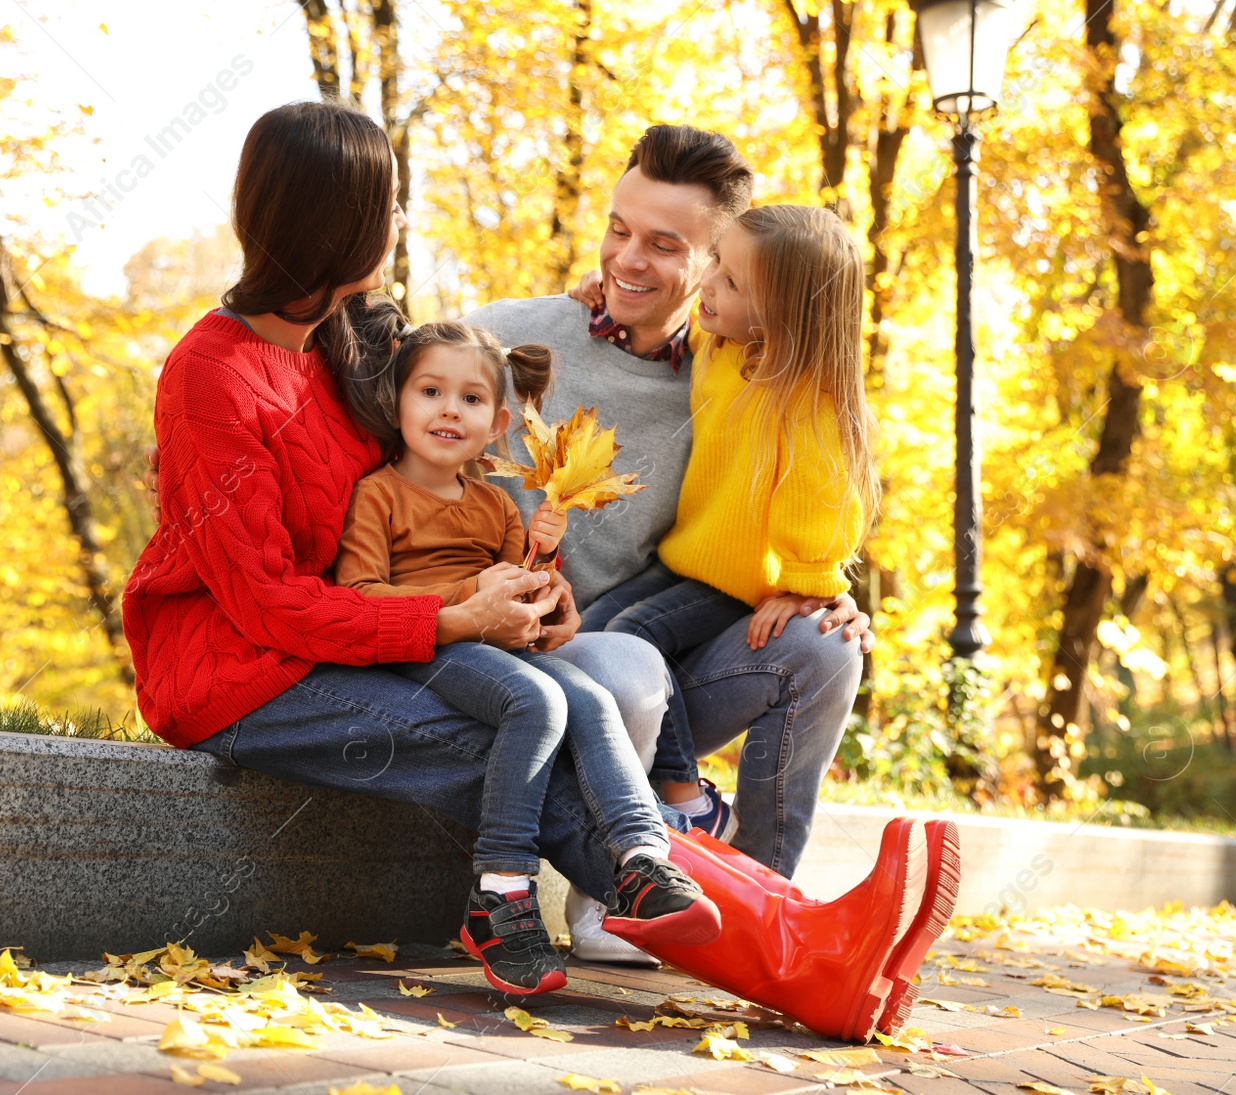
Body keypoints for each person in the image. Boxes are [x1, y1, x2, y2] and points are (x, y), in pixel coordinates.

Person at [122, 100, 715, 997]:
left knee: (561, 711)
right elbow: (266, 604)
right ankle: (765, 941)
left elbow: (459, 437)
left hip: (358, 646)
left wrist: (523, 590)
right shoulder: (211, 376)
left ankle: (767, 925)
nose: (401, 222)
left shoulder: (355, 341)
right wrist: (449, 620)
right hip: (241, 673)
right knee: (523, 751)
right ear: (340, 222)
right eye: (389, 204)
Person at [463, 125, 879, 962]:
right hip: (533, 648)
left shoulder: (727, 360)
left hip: (656, 643)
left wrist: (823, 585)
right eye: (619, 230)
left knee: (828, 652)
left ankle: (760, 913)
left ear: (716, 264)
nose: (628, 260)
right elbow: (381, 389)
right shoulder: (513, 334)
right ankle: (619, 889)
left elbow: (811, 472)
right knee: (629, 659)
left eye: (665, 244)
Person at [331, 318, 717, 994]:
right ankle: (501, 890)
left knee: (590, 698)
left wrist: (550, 597)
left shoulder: (497, 508)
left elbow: (523, 603)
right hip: (427, 647)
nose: (450, 409)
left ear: (498, 421)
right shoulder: (378, 495)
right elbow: (361, 596)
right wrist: (469, 595)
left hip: (494, 648)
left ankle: (641, 856)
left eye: (472, 399)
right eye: (430, 391)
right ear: (398, 403)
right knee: (536, 701)